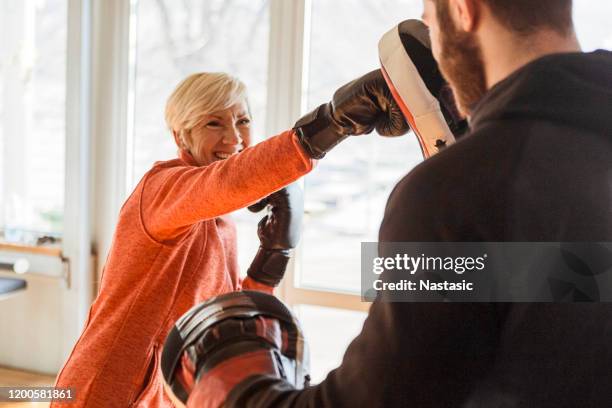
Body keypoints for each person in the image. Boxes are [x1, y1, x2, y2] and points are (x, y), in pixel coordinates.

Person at [166, 0, 612, 406]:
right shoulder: (552, 175)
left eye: (429, 17)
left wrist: (238, 393)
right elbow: (571, 279)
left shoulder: (453, 193)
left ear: (462, 10)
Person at [51, 71, 408, 407]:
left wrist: (272, 256)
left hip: (170, 392)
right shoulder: (161, 188)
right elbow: (227, 181)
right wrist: (331, 124)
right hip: (108, 387)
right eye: (213, 123)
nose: (234, 138)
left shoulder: (221, 220)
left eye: (243, 120)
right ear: (181, 136)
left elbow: (224, 311)